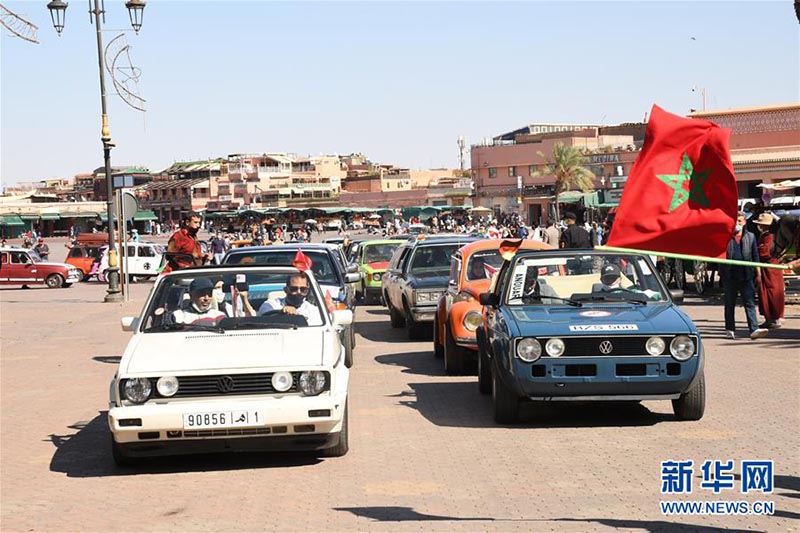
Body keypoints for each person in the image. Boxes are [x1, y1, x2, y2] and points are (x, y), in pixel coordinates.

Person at [720, 212, 768, 340]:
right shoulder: (726, 237)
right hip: (730, 276)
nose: (737, 224)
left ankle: (754, 328)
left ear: (745, 222)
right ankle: (730, 329)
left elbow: (755, 256)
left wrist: (758, 274)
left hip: (746, 276)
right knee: (729, 304)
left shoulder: (750, 237)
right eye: (736, 221)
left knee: (750, 303)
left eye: (740, 221)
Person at [753, 213, 784, 329]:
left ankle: (775, 318)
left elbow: (765, 252)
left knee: (773, 292)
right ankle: (768, 318)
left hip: (771, 268)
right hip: (764, 267)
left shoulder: (770, 236)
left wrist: (755, 251)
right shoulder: (763, 236)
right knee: (763, 293)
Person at [258, 273, 323, 326]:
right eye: (294, 289)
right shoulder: (271, 304)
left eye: (303, 289)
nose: (299, 292)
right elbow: (264, 316)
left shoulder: (313, 311)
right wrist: (281, 313)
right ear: (286, 290)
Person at [593, 263, 660, 300]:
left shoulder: (631, 293)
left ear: (620, 279)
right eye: (607, 278)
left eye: (613, 278)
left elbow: (653, 294)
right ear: (601, 280)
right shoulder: (594, 297)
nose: (611, 281)